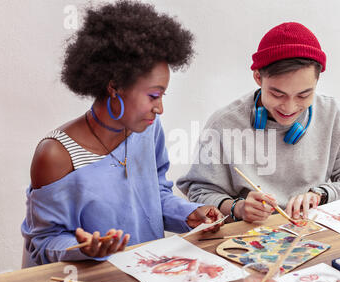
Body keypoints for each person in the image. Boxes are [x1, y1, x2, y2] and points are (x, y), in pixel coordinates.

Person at [21, 0, 223, 267]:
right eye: (153, 95)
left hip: (146, 275)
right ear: (115, 86)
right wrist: (83, 248)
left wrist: (188, 214)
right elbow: (44, 241)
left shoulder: (148, 130)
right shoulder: (56, 155)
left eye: (162, 95)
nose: (160, 108)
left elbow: (155, 195)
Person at [177, 22, 340, 223]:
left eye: (303, 95)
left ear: (317, 82)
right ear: (258, 78)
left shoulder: (334, 115)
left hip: (313, 233)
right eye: (277, 94)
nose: (289, 108)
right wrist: (238, 208)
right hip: (249, 237)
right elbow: (199, 192)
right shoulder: (223, 124)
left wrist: (321, 195)